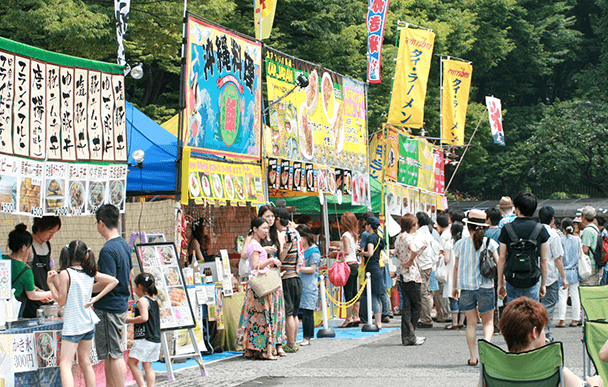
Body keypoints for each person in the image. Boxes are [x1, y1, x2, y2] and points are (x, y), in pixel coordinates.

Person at [46, 240, 118, 387]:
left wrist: (50, 284)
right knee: (85, 362)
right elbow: (114, 281)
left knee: (65, 364)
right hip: (87, 323)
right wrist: (95, 298)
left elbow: (61, 301)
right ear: (85, 256)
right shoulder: (89, 273)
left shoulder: (66, 273)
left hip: (73, 324)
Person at [499, 297, 604, 387]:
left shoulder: (493, 370)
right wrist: (595, 384)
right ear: (534, 333)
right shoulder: (557, 372)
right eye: (543, 329)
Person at [452, 209, 499, 366]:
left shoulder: (460, 244)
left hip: (467, 287)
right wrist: (502, 285)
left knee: (471, 323)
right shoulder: (490, 243)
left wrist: (454, 287)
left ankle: (473, 357)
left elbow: (456, 267)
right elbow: (499, 265)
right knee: (488, 323)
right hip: (486, 286)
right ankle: (485, 345)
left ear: (468, 226)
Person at [94, 204, 133, 387]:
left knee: (114, 353)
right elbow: (130, 273)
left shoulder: (108, 250)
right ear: (117, 221)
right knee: (113, 352)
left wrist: (86, 289)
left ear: (101, 223)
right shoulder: (124, 245)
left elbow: (107, 282)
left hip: (109, 307)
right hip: (120, 304)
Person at [237, 217, 284, 360]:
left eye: (267, 228)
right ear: (255, 229)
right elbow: (255, 265)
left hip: (260, 288)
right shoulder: (254, 245)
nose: (266, 230)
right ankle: (264, 350)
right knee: (261, 319)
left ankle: (261, 349)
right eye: (263, 228)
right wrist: (271, 260)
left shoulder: (257, 245)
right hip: (260, 288)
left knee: (260, 319)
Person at [497, 191, 549, 303]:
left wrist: (500, 283)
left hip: (512, 280)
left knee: (514, 316)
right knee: (531, 315)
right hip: (532, 280)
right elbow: (544, 260)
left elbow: (502, 258)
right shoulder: (540, 229)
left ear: (516, 207)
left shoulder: (507, 228)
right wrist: (543, 284)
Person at [3, 223, 53, 317]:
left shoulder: (2, 260)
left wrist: (38, 290)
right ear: (24, 247)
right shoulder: (26, 271)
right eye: (30, 246)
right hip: (12, 312)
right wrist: (51, 293)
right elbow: (32, 295)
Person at [275, 206, 303, 353]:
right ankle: (294, 341)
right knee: (294, 314)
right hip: (296, 276)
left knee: (289, 313)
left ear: (278, 219)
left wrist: (278, 257)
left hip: (287, 276)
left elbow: (282, 256)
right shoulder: (296, 232)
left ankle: (290, 343)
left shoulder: (285, 233)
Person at [395, 214, 425, 345]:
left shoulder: (398, 238)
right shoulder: (407, 237)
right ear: (412, 225)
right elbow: (413, 249)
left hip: (403, 274)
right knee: (416, 306)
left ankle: (408, 336)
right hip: (411, 275)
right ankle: (411, 335)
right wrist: (411, 260)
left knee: (407, 306)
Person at [538, 206, 567, 342]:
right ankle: (546, 334)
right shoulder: (554, 235)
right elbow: (558, 258)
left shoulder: (534, 231)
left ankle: (535, 335)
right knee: (548, 306)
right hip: (549, 277)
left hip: (534, 276)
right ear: (553, 219)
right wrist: (564, 277)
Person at [127, 273, 161, 387]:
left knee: (131, 363)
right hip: (155, 338)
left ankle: (142, 386)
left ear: (140, 286)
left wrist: (129, 320)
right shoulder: (154, 300)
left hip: (144, 338)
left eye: (135, 286)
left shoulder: (142, 301)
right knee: (148, 366)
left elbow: (144, 317)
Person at [23, 216, 61, 318]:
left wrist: (60, 291)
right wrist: (38, 292)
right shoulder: (28, 245)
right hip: (32, 298)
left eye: (54, 233)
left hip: (47, 297)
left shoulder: (48, 245)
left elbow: (52, 270)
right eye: (50, 232)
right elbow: (23, 274)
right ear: (41, 227)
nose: (51, 236)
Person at [414, 212, 440, 328]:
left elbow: (416, 250)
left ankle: (426, 319)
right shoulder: (428, 232)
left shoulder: (420, 234)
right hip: (428, 266)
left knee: (423, 293)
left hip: (422, 266)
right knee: (425, 293)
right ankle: (425, 317)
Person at [296, 225, 321, 346]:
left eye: (300, 236)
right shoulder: (299, 250)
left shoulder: (313, 251)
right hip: (299, 284)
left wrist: (299, 269)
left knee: (307, 312)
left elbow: (313, 268)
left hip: (309, 285)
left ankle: (308, 337)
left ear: (306, 236)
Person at [239, 206, 279, 280]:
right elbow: (244, 254)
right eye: (267, 216)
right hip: (258, 275)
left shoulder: (275, 233)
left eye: (272, 216)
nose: (270, 219)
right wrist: (262, 250)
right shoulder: (253, 234)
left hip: (270, 273)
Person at [361, 216, 386, 329]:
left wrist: (361, 253)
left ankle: (378, 322)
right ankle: (378, 321)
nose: (365, 226)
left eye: (366, 224)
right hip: (377, 268)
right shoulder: (379, 238)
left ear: (369, 226)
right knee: (378, 295)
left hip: (371, 269)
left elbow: (370, 253)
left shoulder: (371, 238)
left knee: (374, 296)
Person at [556, 218, 582, 328]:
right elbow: (580, 255)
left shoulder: (560, 240)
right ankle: (575, 319)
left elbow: (559, 257)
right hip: (575, 271)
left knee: (562, 296)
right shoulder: (577, 240)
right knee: (575, 296)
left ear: (562, 228)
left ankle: (562, 320)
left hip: (563, 271)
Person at [337, 212, 361, 328]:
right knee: (354, 292)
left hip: (347, 265)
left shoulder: (346, 235)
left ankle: (348, 318)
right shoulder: (354, 234)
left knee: (348, 293)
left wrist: (335, 253)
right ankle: (356, 316)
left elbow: (346, 252)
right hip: (355, 264)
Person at [443, 221, 465, 330]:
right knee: (463, 297)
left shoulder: (449, 243)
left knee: (453, 298)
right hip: (464, 272)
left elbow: (446, 259)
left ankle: (455, 322)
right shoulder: (465, 243)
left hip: (452, 272)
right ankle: (462, 322)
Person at [433, 213, 451, 323]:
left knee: (441, 292)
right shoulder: (450, 232)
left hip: (444, 267)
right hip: (451, 266)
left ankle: (444, 314)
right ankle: (445, 313)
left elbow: (443, 253)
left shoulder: (444, 236)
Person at [580, 206, 600, 285]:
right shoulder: (595, 229)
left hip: (590, 264)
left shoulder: (587, 230)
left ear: (583, 217)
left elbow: (585, 250)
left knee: (588, 286)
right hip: (596, 262)